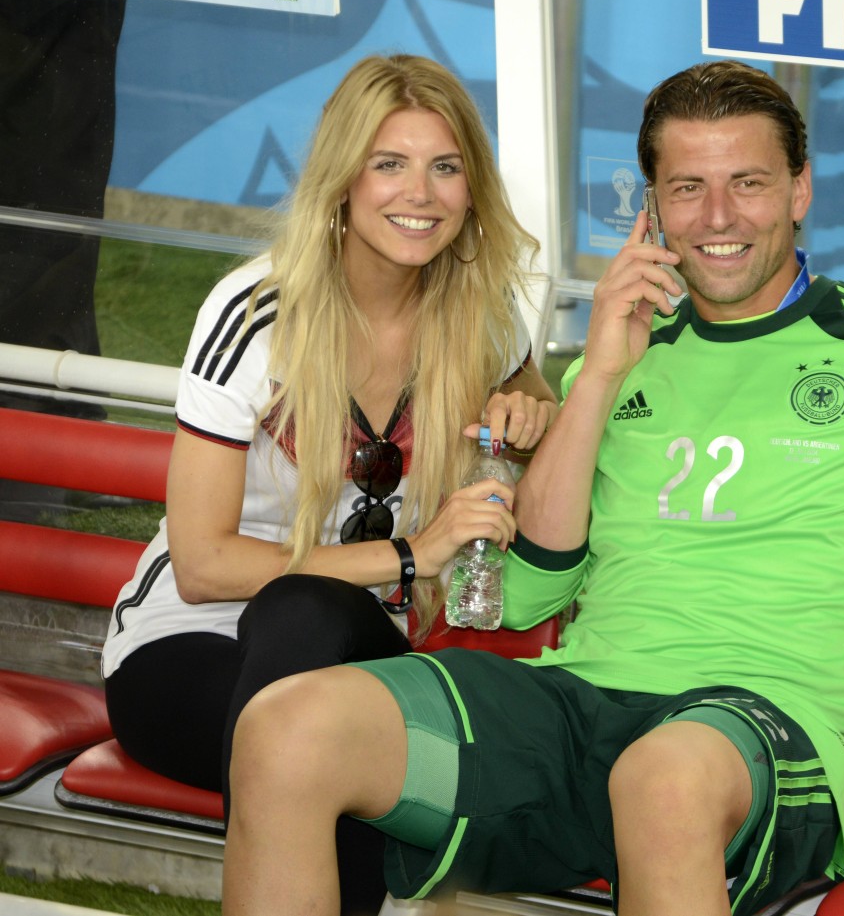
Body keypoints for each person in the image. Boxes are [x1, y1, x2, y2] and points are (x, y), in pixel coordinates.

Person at [220, 60, 844, 916]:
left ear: (800, 191)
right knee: (287, 729)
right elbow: (524, 593)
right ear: (650, 207)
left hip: (773, 742)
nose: (719, 216)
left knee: (664, 777)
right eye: (686, 189)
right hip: (585, 706)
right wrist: (599, 377)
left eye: (747, 183)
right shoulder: (620, 359)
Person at [101, 54, 557, 916]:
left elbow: (532, 395)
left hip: (362, 648)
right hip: (184, 651)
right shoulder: (255, 314)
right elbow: (201, 564)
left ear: (472, 187)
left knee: (316, 678)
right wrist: (410, 554)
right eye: (389, 163)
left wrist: (531, 406)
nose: (419, 192)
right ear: (343, 179)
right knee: (306, 664)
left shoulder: (481, 314)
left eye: (445, 166)